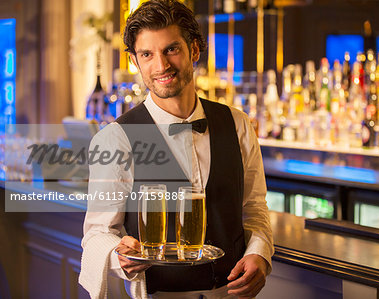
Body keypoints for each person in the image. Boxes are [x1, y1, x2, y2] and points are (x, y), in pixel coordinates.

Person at [79, 0, 273, 298]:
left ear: (194, 50)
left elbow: (255, 208)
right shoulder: (115, 139)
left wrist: (260, 253)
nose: (161, 66)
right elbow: (97, 233)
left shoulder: (237, 124)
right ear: (135, 61)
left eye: (171, 49)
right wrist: (118, 255)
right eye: (147, 54)